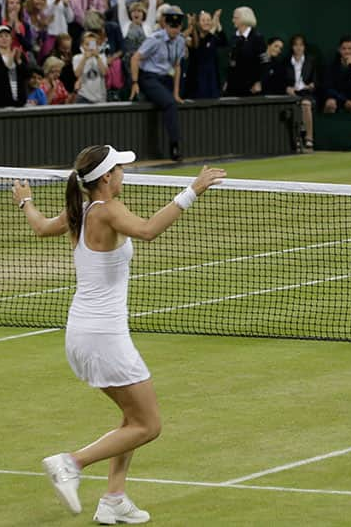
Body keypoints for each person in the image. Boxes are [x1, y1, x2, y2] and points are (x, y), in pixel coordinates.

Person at [12, 144, 225, 523]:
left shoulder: (79, 211)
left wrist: (25, 202)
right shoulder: (108, 210)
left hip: (85, 334)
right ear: (107, 178)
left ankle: (114, 499)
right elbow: (147, 231)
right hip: (102, 337)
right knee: (148, 424)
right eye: (121, 169)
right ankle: (71, 463)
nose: (125, 173)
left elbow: (42, 227)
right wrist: (193, 190)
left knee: (131, 418)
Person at [129, 5, 187, 160]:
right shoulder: (155, 39)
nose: (175, 30)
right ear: (165, 25)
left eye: (177, 27)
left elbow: (177, 66)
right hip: (149, 77)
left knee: (172, 100)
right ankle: (174, 146)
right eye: (171, 26)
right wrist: (135, 82)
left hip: (166, 78)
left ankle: (174, 143)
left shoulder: (180, 41)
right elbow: (135, 58)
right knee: (169, 103)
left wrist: (176, 93)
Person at [223, 5, 265, 97]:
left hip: (251, 87)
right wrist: (227, 81)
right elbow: (231, 62)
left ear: (244, 18)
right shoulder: (233, 38)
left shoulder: (257, 38)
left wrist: (259, 82)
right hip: (233, 86)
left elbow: (264, 61)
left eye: (236, 18)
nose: (233, 20)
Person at [284, 33, 317, 150]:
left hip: (306, 93)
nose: (298, 48)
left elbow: (316, 80)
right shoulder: (286, 62)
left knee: (306, 104)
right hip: (291, 94)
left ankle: (309, 139)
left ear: (304, 47)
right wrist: (287, 88)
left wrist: (312, 85)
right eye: (296, 45)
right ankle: (295, 140)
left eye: (301, 45)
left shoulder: (311, 61)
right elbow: (282, 81)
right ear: (292, 47)